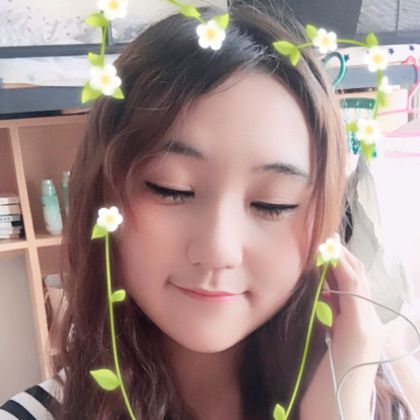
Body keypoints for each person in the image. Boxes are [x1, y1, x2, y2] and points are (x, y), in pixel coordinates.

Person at [1, 2, 418, 419]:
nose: (219, 250)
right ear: (102, 197)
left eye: (273, 204)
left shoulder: (378, 389)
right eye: (171, 189)